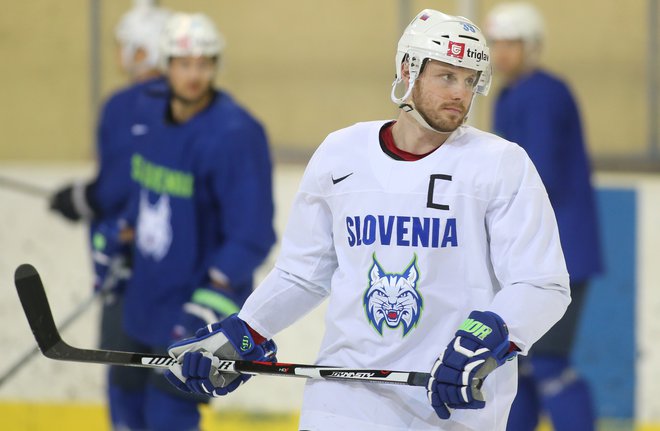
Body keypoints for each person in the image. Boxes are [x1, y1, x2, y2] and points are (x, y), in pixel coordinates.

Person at [165, 9, 571, 430]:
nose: (460, 94)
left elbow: (542, 283)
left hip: (450, 402)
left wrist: (491, 335)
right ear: (407, 69)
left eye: (470, 80)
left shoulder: (501, 164)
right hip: (342, 400)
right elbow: (304, 273)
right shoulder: (341, 153)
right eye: (446, 76)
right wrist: (248, 328)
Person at [112, 11, 276, 430]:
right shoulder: (148, 118)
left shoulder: (236, 133)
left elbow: (251, 235)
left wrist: (208, 303)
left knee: (169, 416)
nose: (194, 75)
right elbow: (142, 192)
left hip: (192, 311)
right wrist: (118, 240)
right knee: (126, 412)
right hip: (142, 305)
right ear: (166, 65)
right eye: (184, 64)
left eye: (204, 64)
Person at [49, 1, 173, 429]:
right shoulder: (197, 106)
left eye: (125, 46)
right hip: (181, 275)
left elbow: (117, 186)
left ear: (143, 51)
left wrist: (79, 198)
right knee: (174, 386)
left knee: (127, 381)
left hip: (129, 273)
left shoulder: (123, 104)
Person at [484, 3, 603, 431]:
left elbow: (538, 174)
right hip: (538, 250)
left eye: (511, 44)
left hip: (563, 251)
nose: (501, 54)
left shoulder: (544, 93)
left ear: (532, 47)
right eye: (496, 43)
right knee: (522, 362)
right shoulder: (511, 94)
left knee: (549, 362)